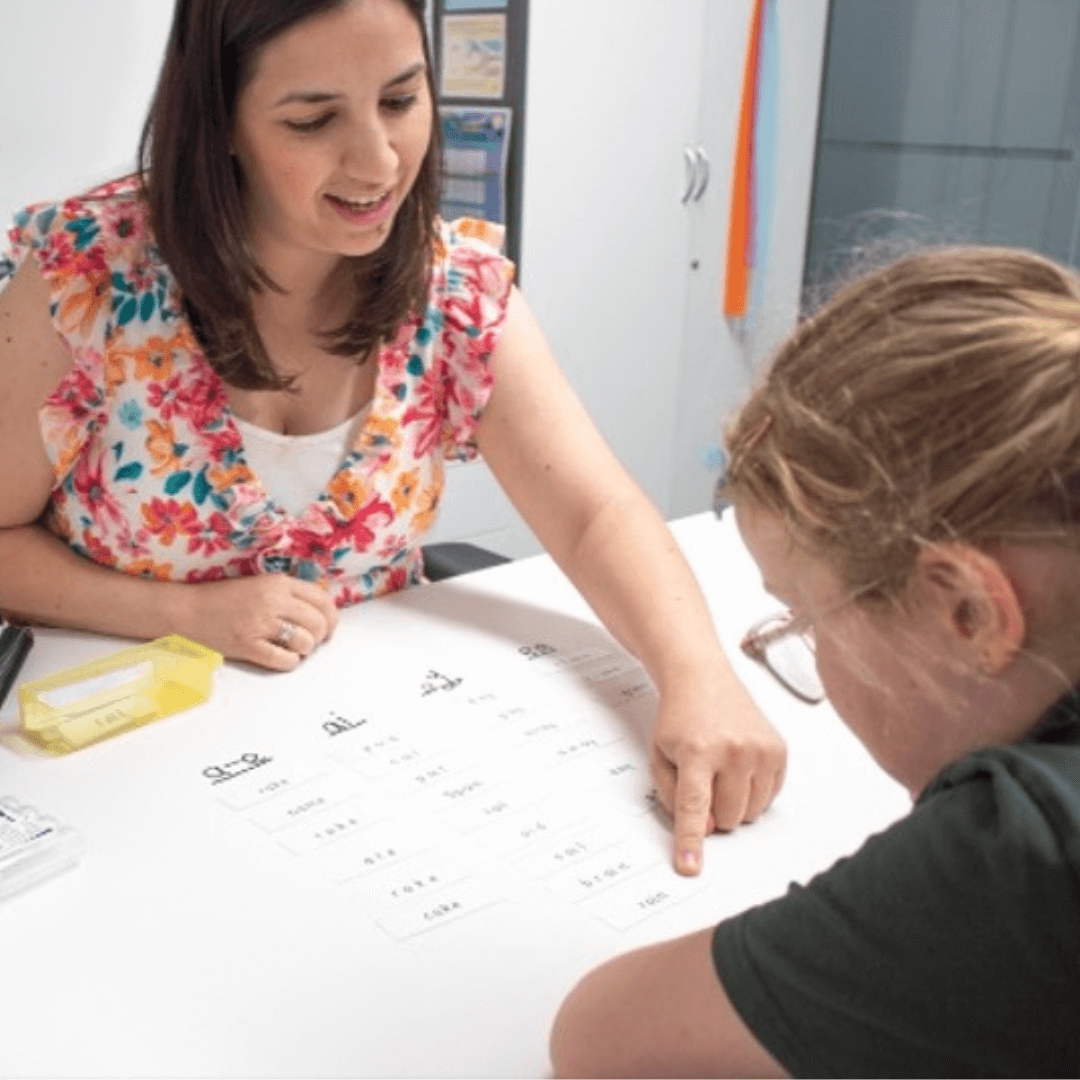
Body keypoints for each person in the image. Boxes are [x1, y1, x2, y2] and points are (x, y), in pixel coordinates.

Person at [0, 0, 784, 874]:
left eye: (402, 101)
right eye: (313, 118)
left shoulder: (452, 287)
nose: (377, 161)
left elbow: (595, 511)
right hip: (114, 773)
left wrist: (698, 675)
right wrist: (183, 615)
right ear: (220, 120)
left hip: (359, 774)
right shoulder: (89, 274)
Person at [549, 244, 1080, 1078]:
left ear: (970, 613)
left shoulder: (1025, 848)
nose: (814, 655)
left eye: (807, 618)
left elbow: (605, 1040)